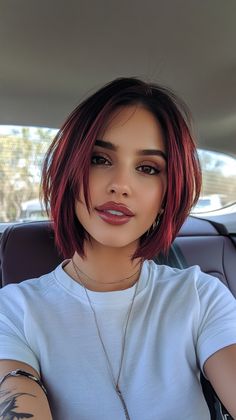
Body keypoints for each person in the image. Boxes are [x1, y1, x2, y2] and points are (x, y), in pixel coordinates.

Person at [0, 77, 236, 420]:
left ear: (167, 194)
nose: (120, 185)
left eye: (147, 168)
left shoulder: (201, 297)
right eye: (100, 159)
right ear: (70, 170)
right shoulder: (13, 311)